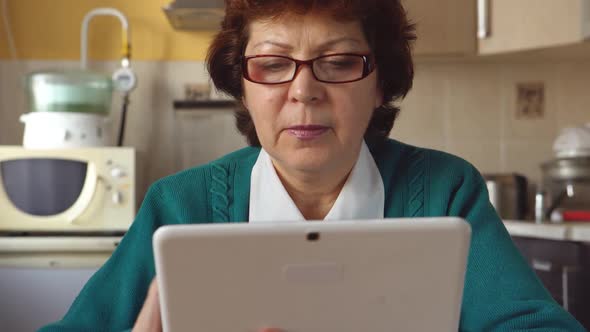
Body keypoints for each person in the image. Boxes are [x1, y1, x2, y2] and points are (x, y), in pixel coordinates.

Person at [40, 0, 585, 331]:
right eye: (273, 64)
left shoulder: (445, 190)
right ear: (243, 89)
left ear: (380, 83)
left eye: (340, 62)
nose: (304, 91)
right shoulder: (179, 205)